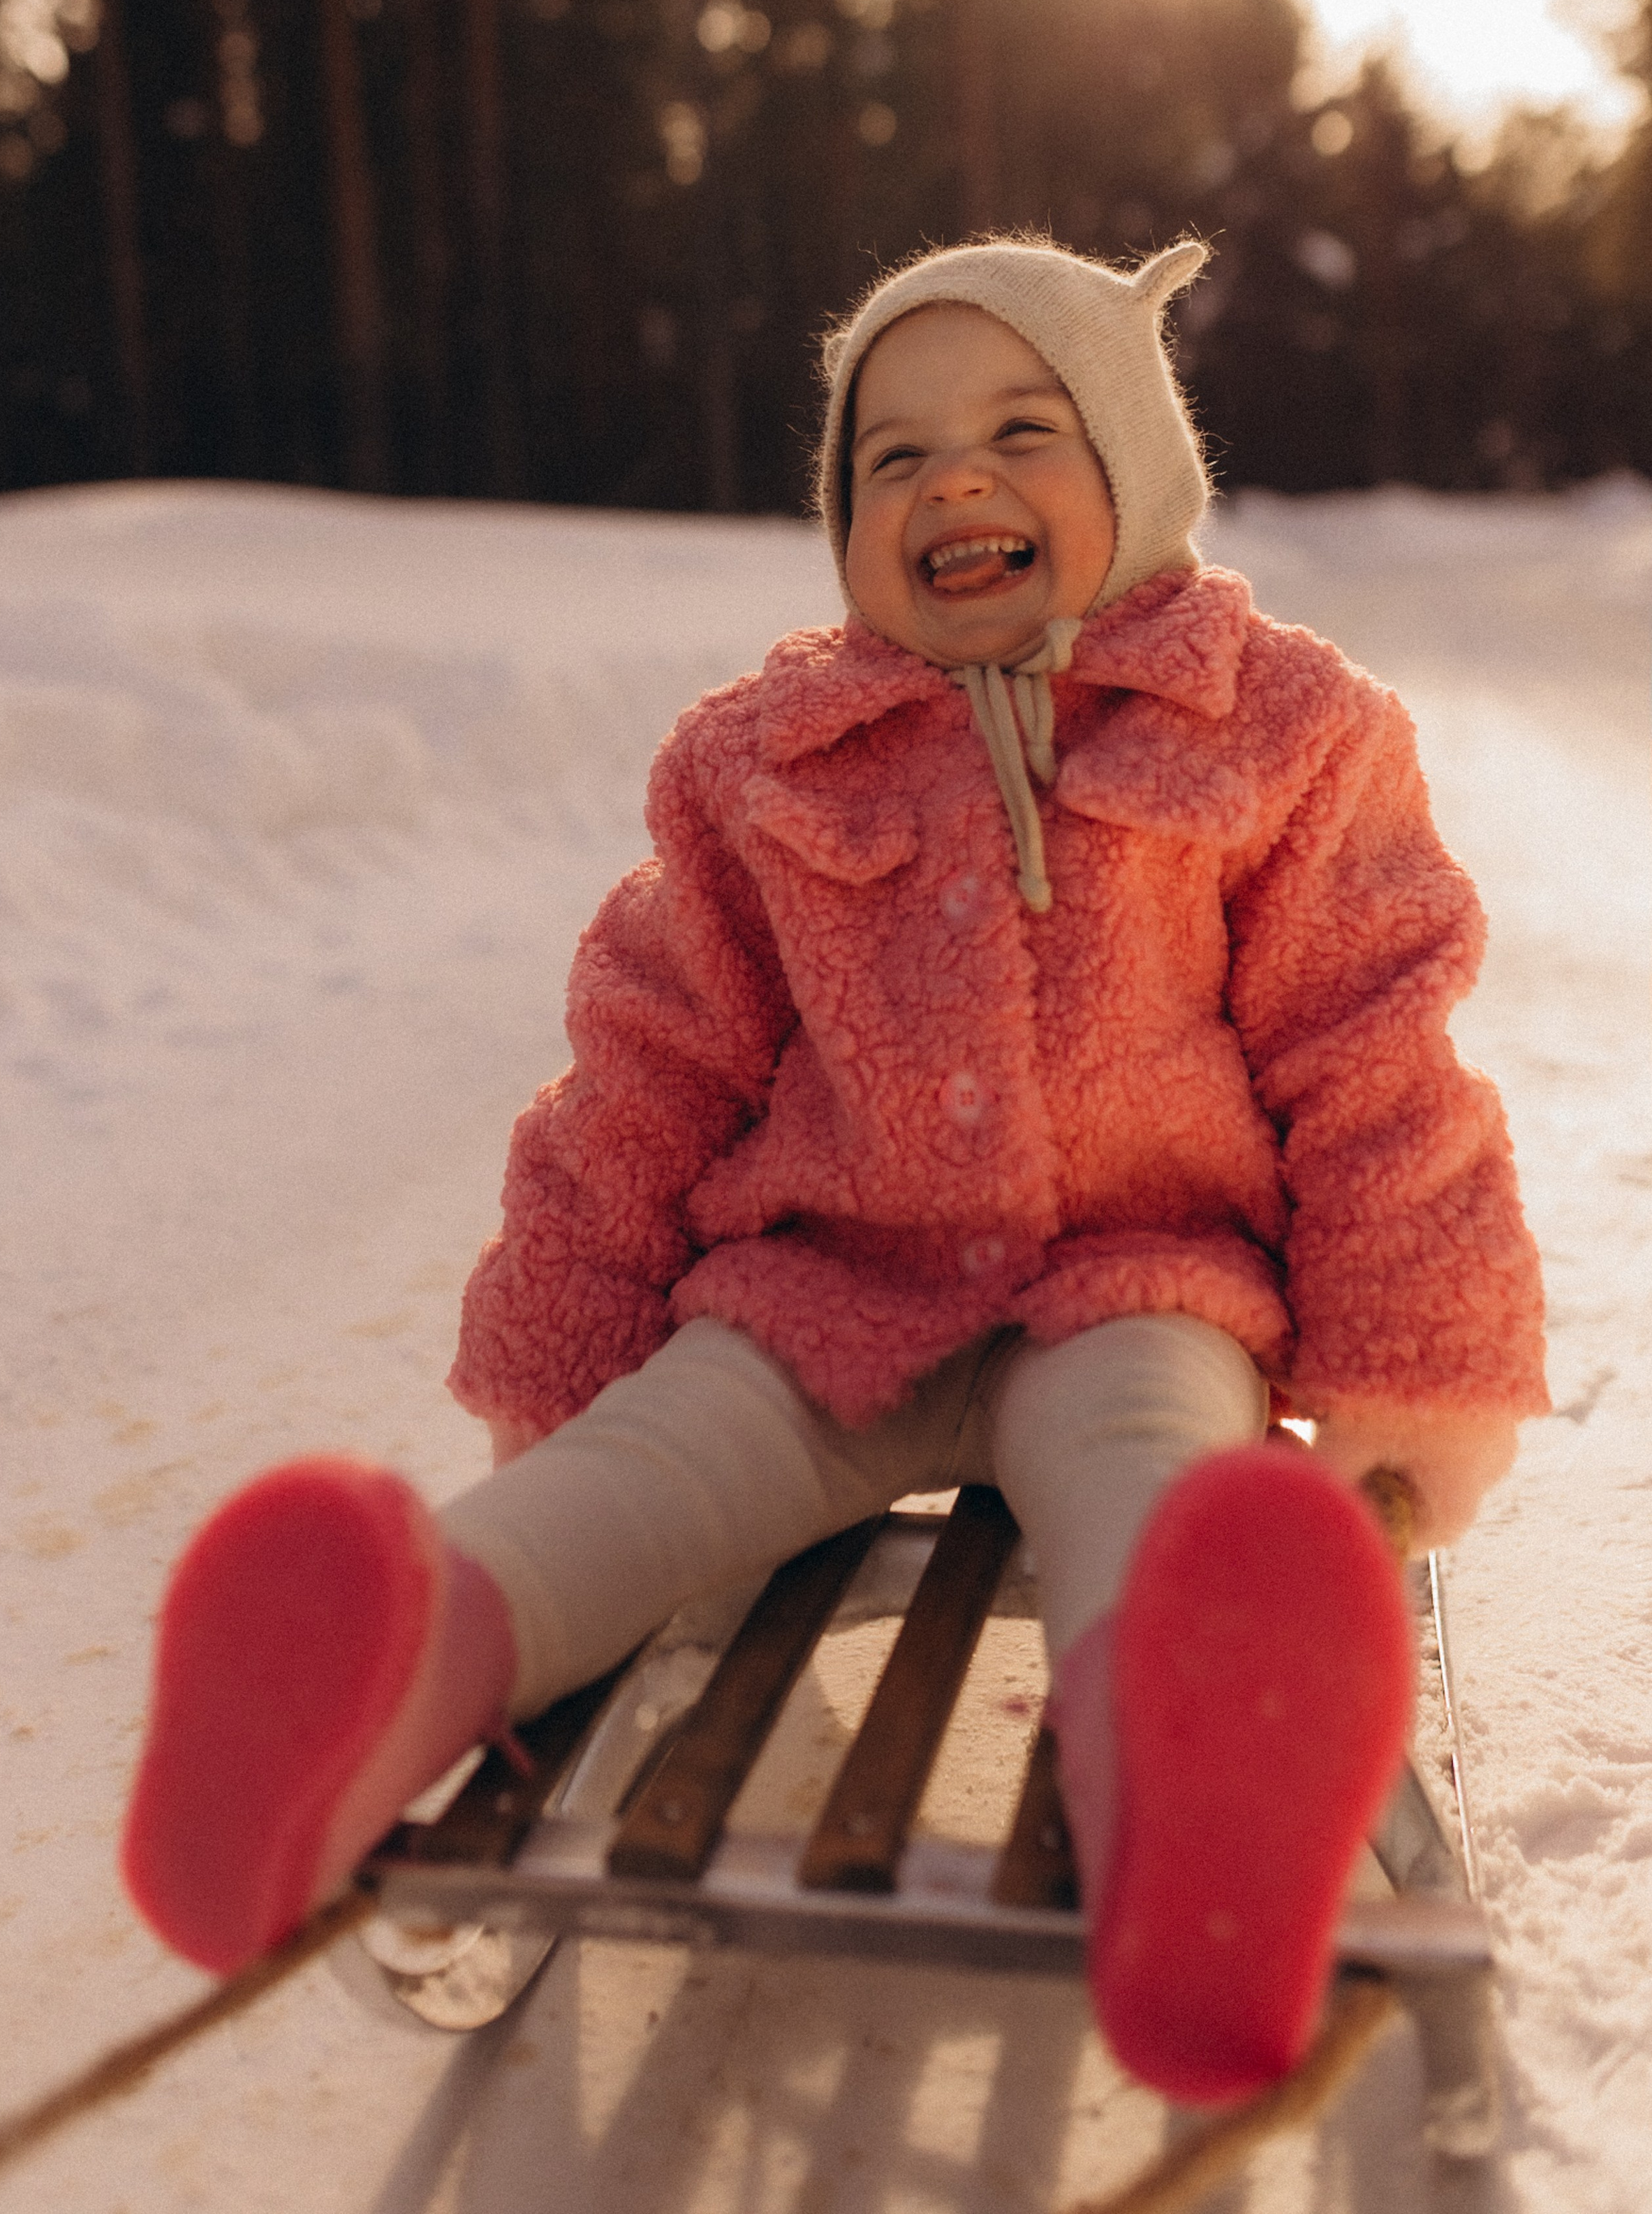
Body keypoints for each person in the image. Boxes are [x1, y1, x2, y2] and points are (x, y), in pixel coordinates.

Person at [121, 237, 1544, 2106]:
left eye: (1024, 431)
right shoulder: (767, 757)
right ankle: (374, 1668)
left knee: (1158, 1497)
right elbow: (644, 1076)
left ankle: (1203, 1788)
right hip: (817, 1298)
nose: (955, 479)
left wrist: (1411, 1363)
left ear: (1140, 468)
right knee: (635, 1484)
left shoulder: (1283, 735)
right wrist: (562, 1364)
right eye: (895, 457)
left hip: (1141, 1292)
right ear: (844, 518)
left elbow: (1371, 1052)